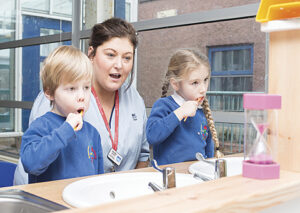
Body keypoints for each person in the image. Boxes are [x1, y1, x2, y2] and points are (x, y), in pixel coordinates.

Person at [14, 18, 149, 185]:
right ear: (91, 54)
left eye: (127, 58)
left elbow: (143, 155)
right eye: (110, 55)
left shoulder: (134, 100)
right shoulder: (54, 98)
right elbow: (35, 160)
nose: (119, 65)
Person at [21, 45, 104, 183]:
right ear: (49, 92)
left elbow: (98, 179)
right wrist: (65, 131)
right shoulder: (41, 126)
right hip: (49, 204)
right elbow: (31, 164)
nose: (82, 96)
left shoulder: (92, 133)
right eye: (72, 88)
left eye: (86, 87)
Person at [146, 49, 223, 166]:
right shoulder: (164, 105)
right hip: (169, 178)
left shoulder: (201, 112)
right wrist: (180, 113)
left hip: (196, 175)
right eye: (195, 83)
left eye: (205, 80)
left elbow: (209, 151)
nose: (203, 89)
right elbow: (152, 136)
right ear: (175, 84)